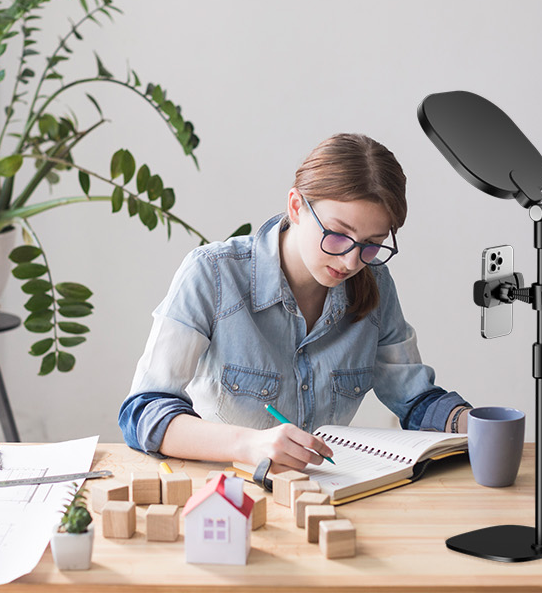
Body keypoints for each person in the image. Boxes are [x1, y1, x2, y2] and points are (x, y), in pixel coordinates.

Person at [118, 133, 472, 474]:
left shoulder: (375, 284)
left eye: (371, 244)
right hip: (227, 494)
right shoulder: (212, 274)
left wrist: (468, 421)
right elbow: (144, 412)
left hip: (327, 493)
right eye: (337, 235)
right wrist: (249, 445)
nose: (351, 262)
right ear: (296, 206)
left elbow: (415, 400)